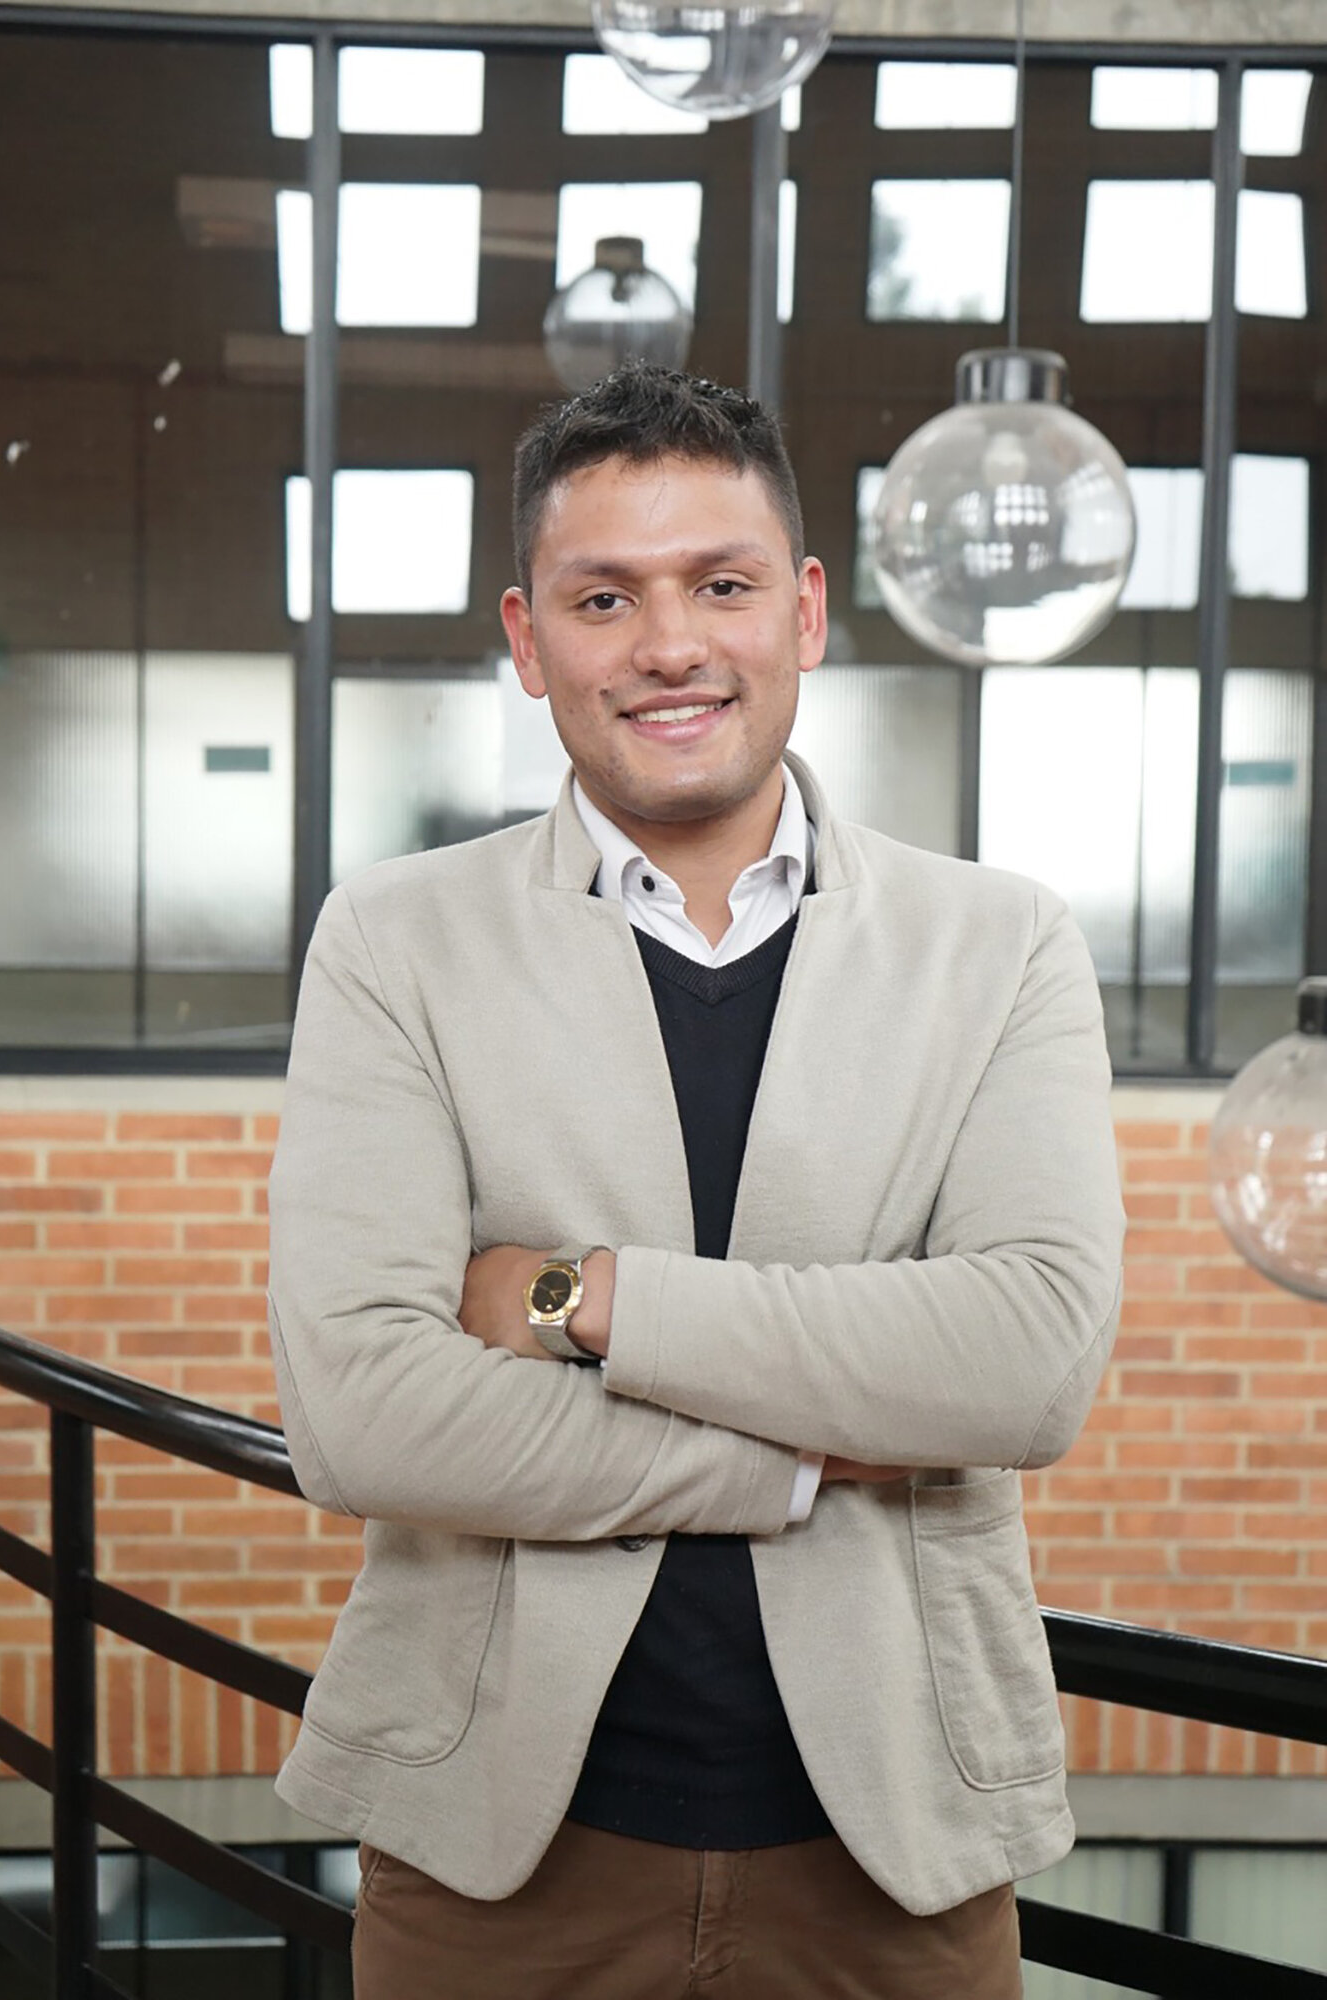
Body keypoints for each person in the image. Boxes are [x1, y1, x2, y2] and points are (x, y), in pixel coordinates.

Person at [266, 363, 1126, 2000]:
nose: (670, 644)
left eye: (719, 585)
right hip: (491, 1858)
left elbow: (1022, 1361)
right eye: (606, 597)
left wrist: (577, 1301)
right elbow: (361, 1412)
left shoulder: (1002, 942)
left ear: (801, 613)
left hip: (895, 1858)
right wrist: (807, 1457)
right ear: (530, 641)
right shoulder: (394, 939)